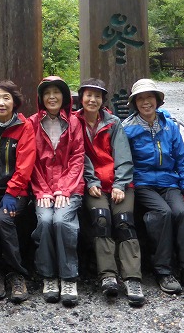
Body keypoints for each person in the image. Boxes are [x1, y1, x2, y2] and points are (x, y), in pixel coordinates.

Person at [122, 79, 184, 297]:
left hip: (169, 182)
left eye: (150, 97)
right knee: (163, 213)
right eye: (140, 98)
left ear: (157, 100)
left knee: (181, 213)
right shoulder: (128, 129)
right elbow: (123, 160)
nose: (146, 102)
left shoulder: (169, 126)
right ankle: (163, 270)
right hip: (143, 184)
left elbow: (181, 158)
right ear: (134, 103)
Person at [78, 78, 145, 308]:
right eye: (88, 95)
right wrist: (90, 181)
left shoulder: (113, 122)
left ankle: (132, 278)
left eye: (97, 96)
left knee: (124, 221)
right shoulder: (75, 122)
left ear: (103, 100)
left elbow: (123, 155)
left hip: (119, 183)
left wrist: (120, 183)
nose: (92, 100)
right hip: (92, 183)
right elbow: (79, 156)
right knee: (101, 218)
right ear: (81, 97)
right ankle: (108, 275)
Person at [0, 80, 36, 304]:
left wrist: (12, 192)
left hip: (15, 192)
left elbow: (25, 165)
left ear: (15, 102)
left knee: (3, 219)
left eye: (6, 98)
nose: (1, 103)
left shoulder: (24, 127)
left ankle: (16, 273)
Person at [28, 76, 84, 307]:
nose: (52, 97)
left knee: (62, 221)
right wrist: (42, 190)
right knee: (44, 221)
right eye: (47, 93)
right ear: (41, 98)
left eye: (57, 92)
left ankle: (68, 277)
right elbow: (30, 160)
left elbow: (77, 158)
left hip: (70, 188)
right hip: (42, 188)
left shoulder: (74, 122)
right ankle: (48, 275)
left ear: (64, 97)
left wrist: (63, 189)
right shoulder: (32, 123)